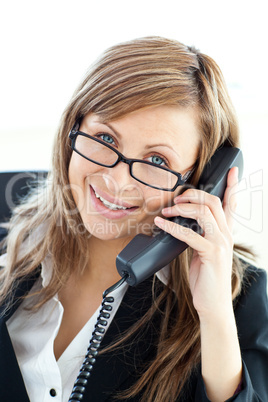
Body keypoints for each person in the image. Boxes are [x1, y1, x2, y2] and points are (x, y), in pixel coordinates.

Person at [0, 36, 267, 402]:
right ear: (72, 128)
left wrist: (215, 315)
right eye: (105, 137)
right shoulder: (7, 221)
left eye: (157, 161)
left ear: (203, 180)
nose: (116, 180)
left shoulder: (242, 301)